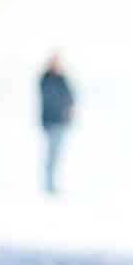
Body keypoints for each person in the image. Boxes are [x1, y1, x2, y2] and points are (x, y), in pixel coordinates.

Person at [39, 55, 76, 196]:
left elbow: (71, 97)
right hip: (50, 122)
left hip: (61, 123)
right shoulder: (46, 79)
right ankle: (49, 184)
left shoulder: (62, 80)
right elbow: (51, 98)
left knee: (57, 155)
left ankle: (52, 183)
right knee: (51, 155)